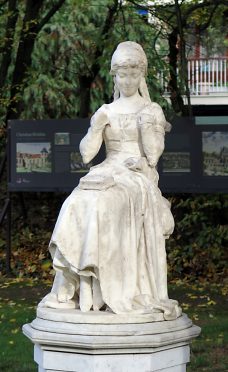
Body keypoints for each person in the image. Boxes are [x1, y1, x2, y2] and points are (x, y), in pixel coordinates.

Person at [40, 41, 181, 320]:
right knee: (75, 202)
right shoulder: (106, 110)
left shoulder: (152, 109)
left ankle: (107, 286)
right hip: (107, 170)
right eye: (122, 74)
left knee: (106, 203)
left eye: (133, 74)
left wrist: (144, 130)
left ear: (142, 75)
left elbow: (153, 156)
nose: (127, 80)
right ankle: (73, 282)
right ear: (114, 76)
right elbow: (86, 155)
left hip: (137, 175)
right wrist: (96, 126)